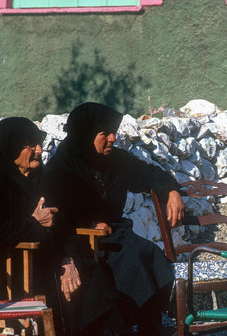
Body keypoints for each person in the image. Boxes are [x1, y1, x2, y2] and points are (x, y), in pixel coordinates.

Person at [43, 102, 185, 335]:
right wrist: (87, 224)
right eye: (104, 133)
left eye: (113, 132)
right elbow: (56, 218)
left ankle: (150, 323)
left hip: (115, 236)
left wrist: (171, 191)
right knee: (132, 261)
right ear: (85, 135)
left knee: (149, 255)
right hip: (80, 243)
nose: (112, 138)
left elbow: (149, 173)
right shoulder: (60, 170)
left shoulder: (115, 160)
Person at [0, 117, 80, 329]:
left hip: (49, 265)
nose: (39, 150)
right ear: (10, 148)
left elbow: (64, 225)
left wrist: (68, 259)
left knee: (94, 279)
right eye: (31, 145)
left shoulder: (41, 179)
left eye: (40, 144)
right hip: (11, 274)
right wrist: (33, 223)